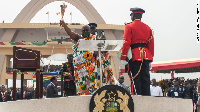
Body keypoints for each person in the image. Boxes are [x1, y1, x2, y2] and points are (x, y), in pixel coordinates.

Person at [60, 20, 115, 95]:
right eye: (83, 30)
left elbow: (100, 52)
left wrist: (96, 50)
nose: (85, 32)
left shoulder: (95, 39)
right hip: (81, 71)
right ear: (81, 32)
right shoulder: (80, 39)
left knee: (93, 90)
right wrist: (64, 26)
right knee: (82, 90)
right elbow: (71, 34)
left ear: (90, 31)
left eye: (87, 30)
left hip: (92, 70)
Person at [120, 8, 154, 96]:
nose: (131, 16)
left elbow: (126, 42)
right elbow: (151, 44)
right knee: (145, 77)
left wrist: (123, 57)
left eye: (131, 15)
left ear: (134, 15)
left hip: (135, 55)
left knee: (135, 77)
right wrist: (151, 59)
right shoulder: (148, 28)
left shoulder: (129, 26)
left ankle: (137, 96)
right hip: (146, 55)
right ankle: (146, 97)